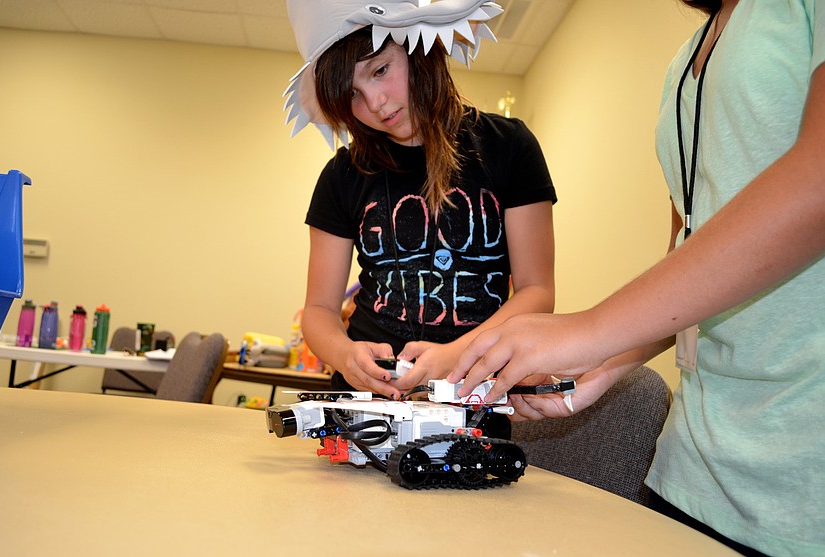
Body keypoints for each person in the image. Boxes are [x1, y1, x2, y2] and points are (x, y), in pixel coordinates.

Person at [450, 1, 825, 555]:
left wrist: (592, 329)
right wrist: (604, 363)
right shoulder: (683, 66)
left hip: (803, 471)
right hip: (695, 468)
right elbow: (688, 255)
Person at [282, 0, 557, 400]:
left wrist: (456, 355)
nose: (374, 103)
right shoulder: (341, 176)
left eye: (380, 70)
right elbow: (320, 310)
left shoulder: (509, 147)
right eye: (353, 94)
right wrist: (345, 356)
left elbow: (537, 292)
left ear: (419, 49)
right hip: (365, 404)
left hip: (471, 395)